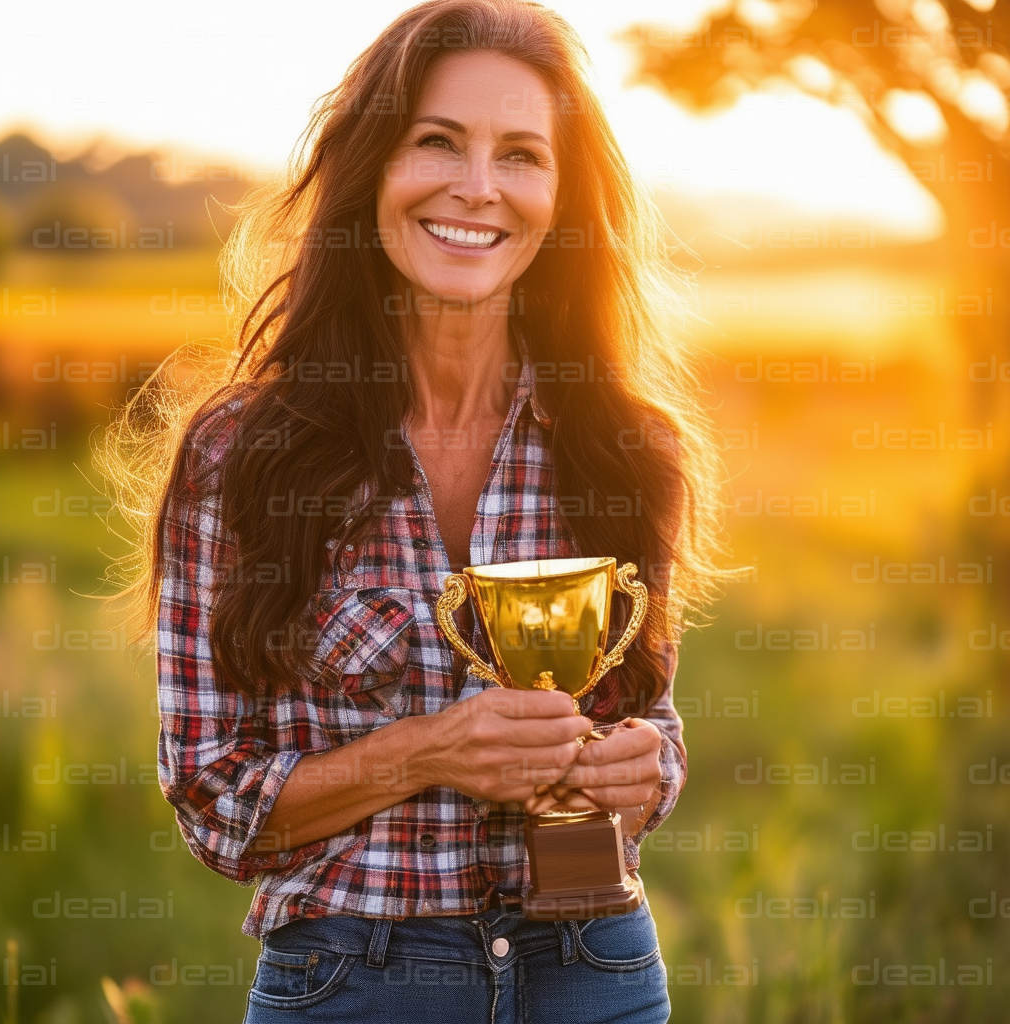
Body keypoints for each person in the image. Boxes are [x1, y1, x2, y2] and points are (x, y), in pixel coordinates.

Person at [99, 1, 724, 1020]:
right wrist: (432, 750)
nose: (477, 187)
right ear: (372, 172)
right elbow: (215, 803)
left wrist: (641, 772)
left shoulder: (627, 448)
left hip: (595, 967)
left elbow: (648, 720)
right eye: (436, 141)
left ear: (561, 197)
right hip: (354, 974)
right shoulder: (239, 454)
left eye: (520, 154)